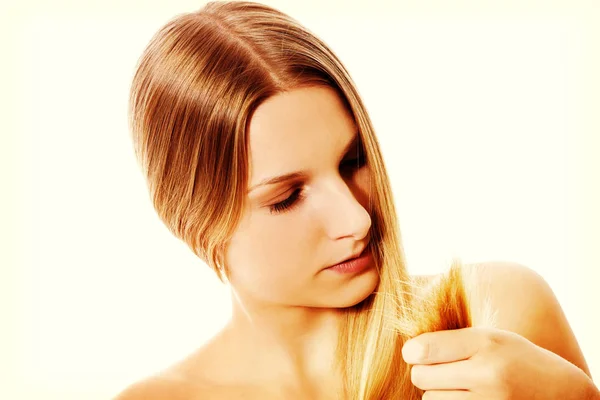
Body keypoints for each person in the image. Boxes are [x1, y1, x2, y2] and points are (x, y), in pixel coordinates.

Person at [116, 1, 598, 399]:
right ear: (191, 222)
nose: (356, 218)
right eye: (287, 197)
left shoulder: (495, 315)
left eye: (354, 160)